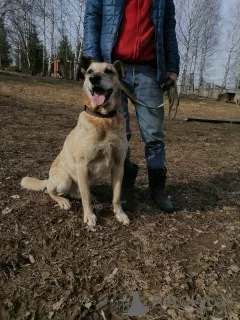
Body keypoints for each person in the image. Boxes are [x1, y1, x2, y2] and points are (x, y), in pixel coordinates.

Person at [83, 0, 180, 213]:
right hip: (113, 69)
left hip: (149, 71)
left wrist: (172, 67)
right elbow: (92, 18)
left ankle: (158, 187)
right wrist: (93, 62)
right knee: (120, 133)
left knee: (154, 134)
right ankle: (124, 185)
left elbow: (168, 29)